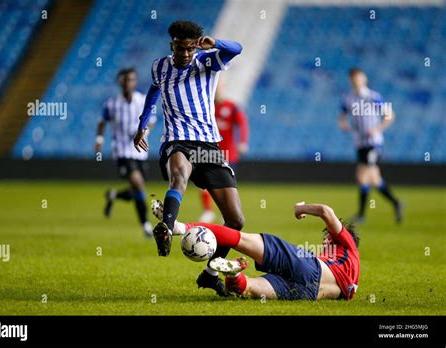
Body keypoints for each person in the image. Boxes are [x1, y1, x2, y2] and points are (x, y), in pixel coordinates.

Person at [133, 20, 245, 296]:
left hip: (208, 144)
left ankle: (210, 274)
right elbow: (153, 91)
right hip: (177, 139)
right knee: (179, 174)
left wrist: (215, 43)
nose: (184, 54)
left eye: (189, 49)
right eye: (179, 48)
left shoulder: (208, 62)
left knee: (235, 221)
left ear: (195, 46)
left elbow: (238, 48)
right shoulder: (160, 66)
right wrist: (142, 123)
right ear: (172, 44)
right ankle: (167, 228)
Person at [151, 201, 360, 300]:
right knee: (249, 288)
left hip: (308, 266)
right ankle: (235, 274)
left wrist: (301, 208)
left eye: (327, 238)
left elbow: (326, 212)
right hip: (309, 293)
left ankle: (180, 227)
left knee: (240, 239)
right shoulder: (351, 283)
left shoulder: (347, 245)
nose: (325, 241)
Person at [95, 68, 155, 237]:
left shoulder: (142, 100)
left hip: (140, 152)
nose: (128, 83)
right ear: (120, 82)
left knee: (137, 189)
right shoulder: (112, 104)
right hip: (122, 151)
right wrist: (99, 140)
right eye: (125, 80)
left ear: (135, 82)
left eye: (131, 80)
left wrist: (145, 132)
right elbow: (102, 122)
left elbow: (151, 120)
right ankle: (146, 225)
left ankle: (113, 195)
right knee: (138, 184)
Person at [339, 68, 403, 224]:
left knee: (363, 176)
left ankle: (361, 215)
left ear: (364, 79)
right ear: (351, 81)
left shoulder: (373, 97)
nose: (356, 81)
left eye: (359, 78)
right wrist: (343, 124)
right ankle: (396, 203)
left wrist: (377, 129)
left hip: (373, 143)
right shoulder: (348, 98)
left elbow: (390, 115)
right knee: (374, 179)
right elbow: (342, 115)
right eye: (353, 79)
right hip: (359, 143)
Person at [199, 82, 249, 223]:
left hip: (228, 153)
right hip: (209, 151)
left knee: (227, 185)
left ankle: (226, 213)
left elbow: (242, 124)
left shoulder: (232, 107)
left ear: (222, 89)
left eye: (218, 89)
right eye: (213, 89)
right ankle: (208, 211)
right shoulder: (206, 107)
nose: (216, 92)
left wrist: (243, 142)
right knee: (204, 183)